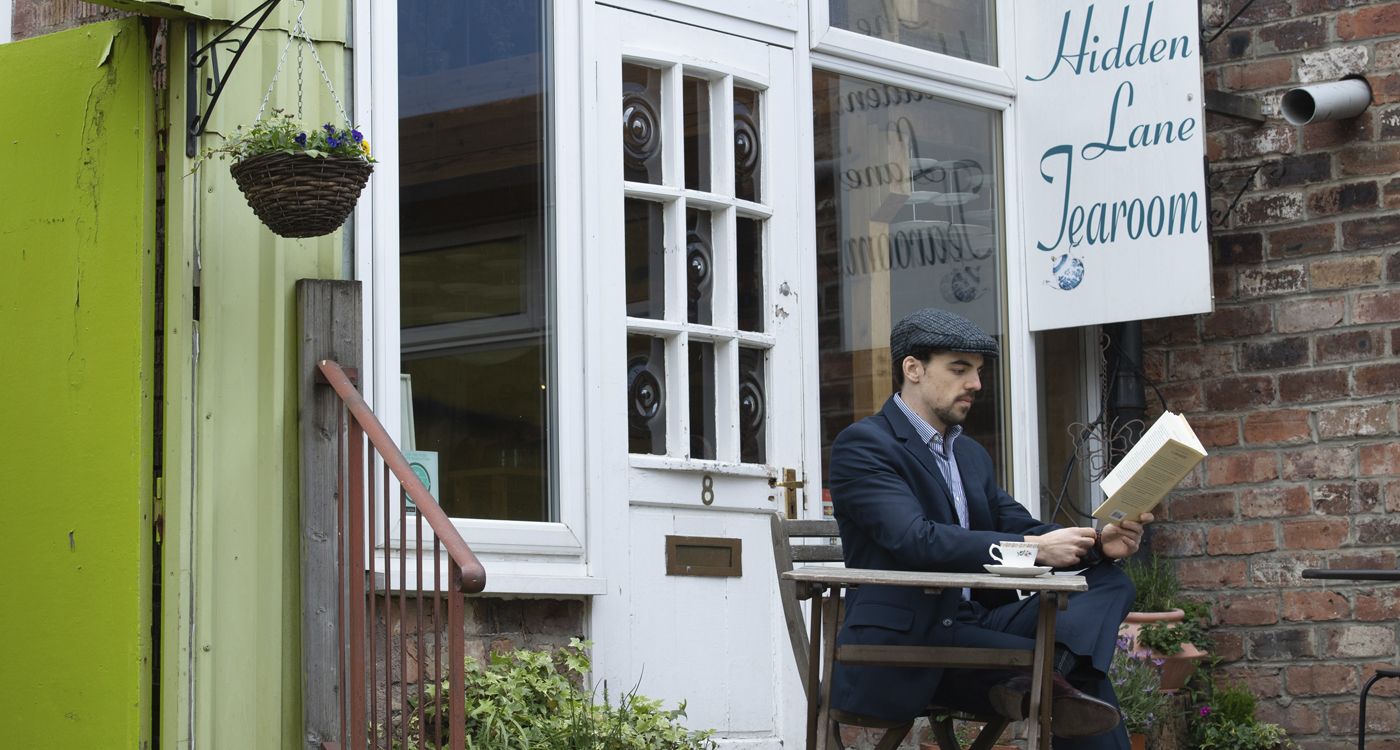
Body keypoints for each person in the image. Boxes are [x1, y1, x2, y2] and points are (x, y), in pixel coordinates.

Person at [827, 308, 1152, 750]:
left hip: (976, 627)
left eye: (978, 372)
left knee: (1108, 581)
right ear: (913, 369)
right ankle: (1050, 674)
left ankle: (1051, 670)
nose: (976, 385)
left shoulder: (970, 456)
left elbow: (1018, 525)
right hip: (910, 643)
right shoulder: (865, 445)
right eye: (960, 370)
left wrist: (1099, 544)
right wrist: (1034, 550)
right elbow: (915, 540)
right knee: (1084, 686)